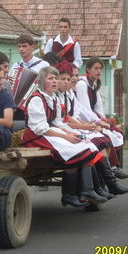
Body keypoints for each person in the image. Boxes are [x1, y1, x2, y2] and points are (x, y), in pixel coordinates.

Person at [22, 66, 107, 207]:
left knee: (85, 144)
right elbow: (40, 128)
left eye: (56, 78)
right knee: (74, 151)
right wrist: (66, 138)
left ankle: (87, 190)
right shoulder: (37, 99)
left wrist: (69, 133)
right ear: (42, 81)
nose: (55, 81)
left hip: (48, 132)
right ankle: (71, 194)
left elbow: (57, 122)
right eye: (51, 78)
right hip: (35, 137)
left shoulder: (52, 98)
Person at [76, 58, 128, 185]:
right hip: (82, 119)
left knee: (117, 131)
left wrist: (104, 120)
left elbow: (98, 107)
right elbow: (84, 108)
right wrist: (98, 122)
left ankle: (117, 167)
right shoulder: (82, 84)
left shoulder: (94, 83)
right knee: (106, 135)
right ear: (88, 69)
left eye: (100, 68)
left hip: (92, 117)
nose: (99, 71)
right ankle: (112, 168)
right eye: (95, 68)